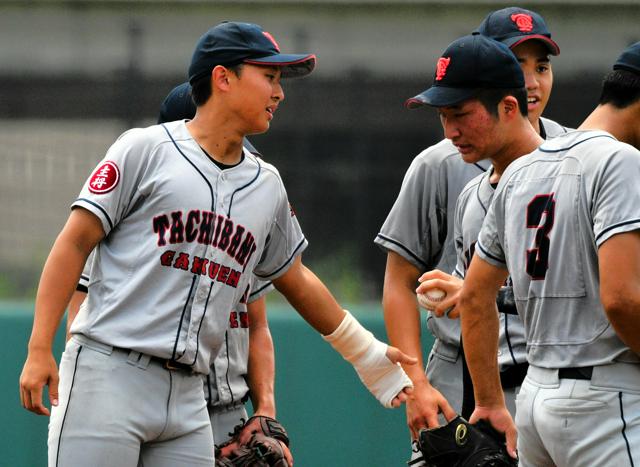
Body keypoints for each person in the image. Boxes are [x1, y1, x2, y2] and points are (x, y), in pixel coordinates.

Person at [19, 21, 415, 467]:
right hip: (109, 373)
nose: (279, 93)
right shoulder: (144, 149)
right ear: (222, 78)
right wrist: (39, 347)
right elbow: (73, 243)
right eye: (269, 77)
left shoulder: (266, 184)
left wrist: (364, 353)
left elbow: (296, 278)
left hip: (190, 396)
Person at [376, 7, 566, 465]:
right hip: (462, 372)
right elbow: (399, 282)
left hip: (551, 373)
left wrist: (479, 292)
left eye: (540, 66)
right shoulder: (444, 166)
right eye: (516, 65)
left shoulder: (576, 155)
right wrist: (415, 382)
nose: (531, 82)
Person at [458, 41, 640, 466]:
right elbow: (622, 299)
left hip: (536, 400)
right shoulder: (621, 161)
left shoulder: (524, 168)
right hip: (604, 402)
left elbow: (472, 295)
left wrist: (488, 401)